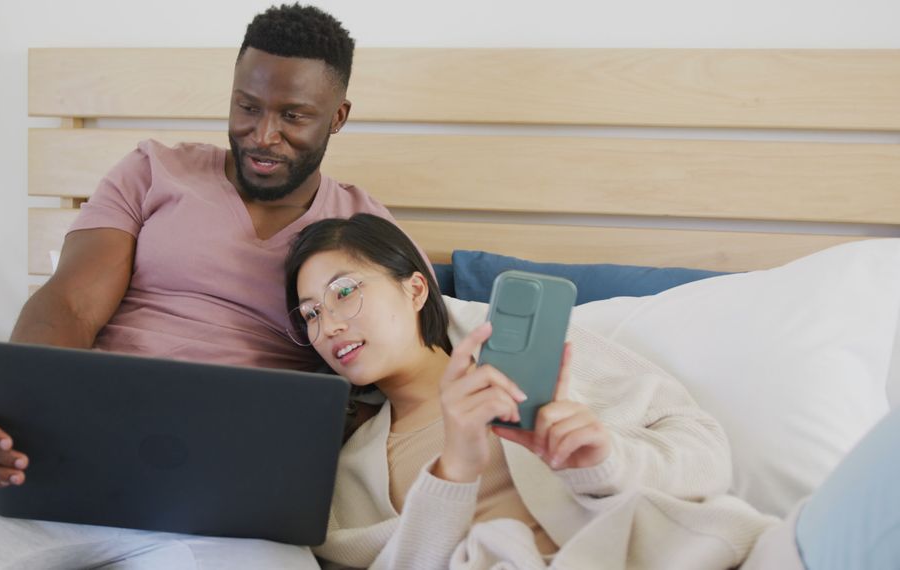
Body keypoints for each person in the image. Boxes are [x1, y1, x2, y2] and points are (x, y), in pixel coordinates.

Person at [0, 5, 405, 569]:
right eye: (246, 107)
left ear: (338, 116)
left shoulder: (364, 231)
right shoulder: (154, 169)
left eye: (294, 116)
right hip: (64, 441)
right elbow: (70, 301)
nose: (263, 135)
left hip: (227, 493)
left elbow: (414, 358)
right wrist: (15, 405)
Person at [284, 213, 900, 570]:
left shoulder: (541, 351)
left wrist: (602, 463)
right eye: (309, 314)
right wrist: (457, 467)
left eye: (344, 292)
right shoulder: (346, 473)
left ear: (416, 289)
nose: (329, 325)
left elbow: (705, 452)